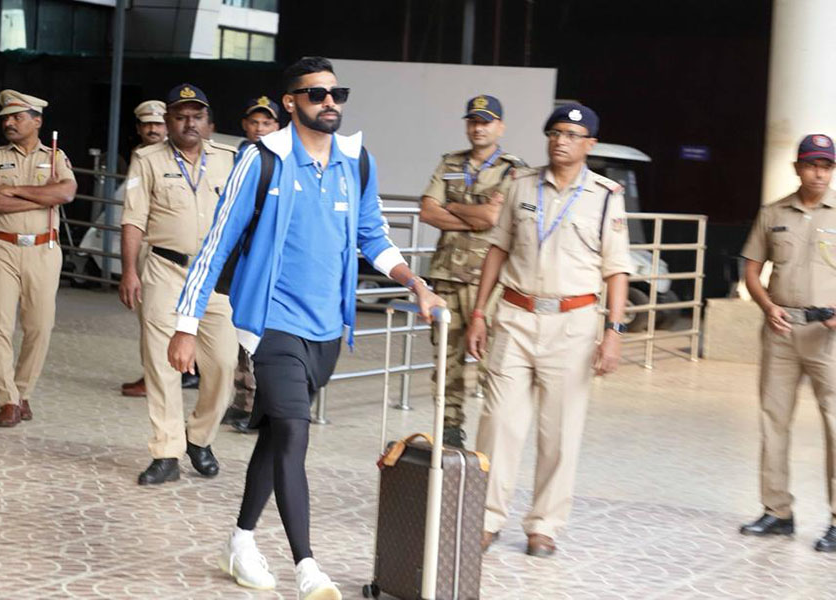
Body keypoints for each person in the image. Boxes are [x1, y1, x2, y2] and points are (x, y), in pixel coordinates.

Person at [167, 57, 445, 598]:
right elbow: (217, 241)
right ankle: (307, 567)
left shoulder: (355, 161)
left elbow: (373, 235)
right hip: (272, 322)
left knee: (276, 436)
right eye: (316, 94)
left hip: (325, 329)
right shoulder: (262, 161)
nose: (330, 102)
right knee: (295, 430)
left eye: (336, 93)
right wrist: (186, 323)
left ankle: (240, 541)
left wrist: (415, 282)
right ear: (291, 102)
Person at [466, 103, 630, 557]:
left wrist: (613, 331)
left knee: (560, 430)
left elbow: (617, 270)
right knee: (498, 422)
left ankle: (545, 525)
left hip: (573, 324)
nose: (561, 141)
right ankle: (485, 517)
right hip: (515, 318)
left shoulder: (605, 196)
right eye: (555, 133)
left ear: (589, 145)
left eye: (572, 136)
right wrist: (479, 314)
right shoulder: (519, 185)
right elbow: (496, 251)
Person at [119, 83, 238, 485]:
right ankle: (166, 451)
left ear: (208, 122)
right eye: (181, 116)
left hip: (214, 277)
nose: (189, 122)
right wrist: (130, 271)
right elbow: (134, 218)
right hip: (164, 271)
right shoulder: (147, 159)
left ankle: (199, 437)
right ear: (167, 121)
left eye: (197, 116)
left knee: (223, 363)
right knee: (161, 363)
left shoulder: (229, 159)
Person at [738, 134, 836, 552]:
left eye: (827, 166)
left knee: (835, 425)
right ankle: (777, 511)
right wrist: (766, 306)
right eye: (812, 164)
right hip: (780, 332)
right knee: (773, 421)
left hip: (827, 337)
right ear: (797, 167)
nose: (819, 172)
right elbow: (751, 269)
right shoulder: (772, 213)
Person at [419, 94, 526, 448]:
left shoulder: (513, 170)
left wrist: (450, 206)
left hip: (489, 281)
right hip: (447, 276)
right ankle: (450, 427)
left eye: (487, 121)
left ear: (500, 126)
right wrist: (471, 213)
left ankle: (495, 430)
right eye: (474, 121)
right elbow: (427, 211)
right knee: (446, 357)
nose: (479, 127)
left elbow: (494, 219)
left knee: (491, 359)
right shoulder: (449, 161)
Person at [0, 90, 77, 428]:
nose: (9, 122)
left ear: (37, 121)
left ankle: (22, 392)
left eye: (17, 116)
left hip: (44, 251)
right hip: (0, 249)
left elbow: (66, 193)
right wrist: (41, 198)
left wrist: (15, 190)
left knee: (40, 327)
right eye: (6, 117)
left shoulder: (56, 156)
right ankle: (7, 401)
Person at [221, 95, 282, 434]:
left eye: (267, 123)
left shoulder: (282, 161)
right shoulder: (234, 158)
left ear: (277, 126)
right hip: (235, 257)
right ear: (245, 125)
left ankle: (261, 407)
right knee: (236, 329)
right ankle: (242, 400)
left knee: (262, 333)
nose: (260, 128)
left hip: (263, 258)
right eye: (255, 122)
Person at [120, 100, 168, 399]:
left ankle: (158, 377)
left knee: (157, 317)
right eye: (147, 124)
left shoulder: (178, 155)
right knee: (150, 316)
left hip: (167, 246)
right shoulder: (140, 156)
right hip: (146, 245)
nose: (152, 129)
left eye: (158, 123)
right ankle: (154, 373)